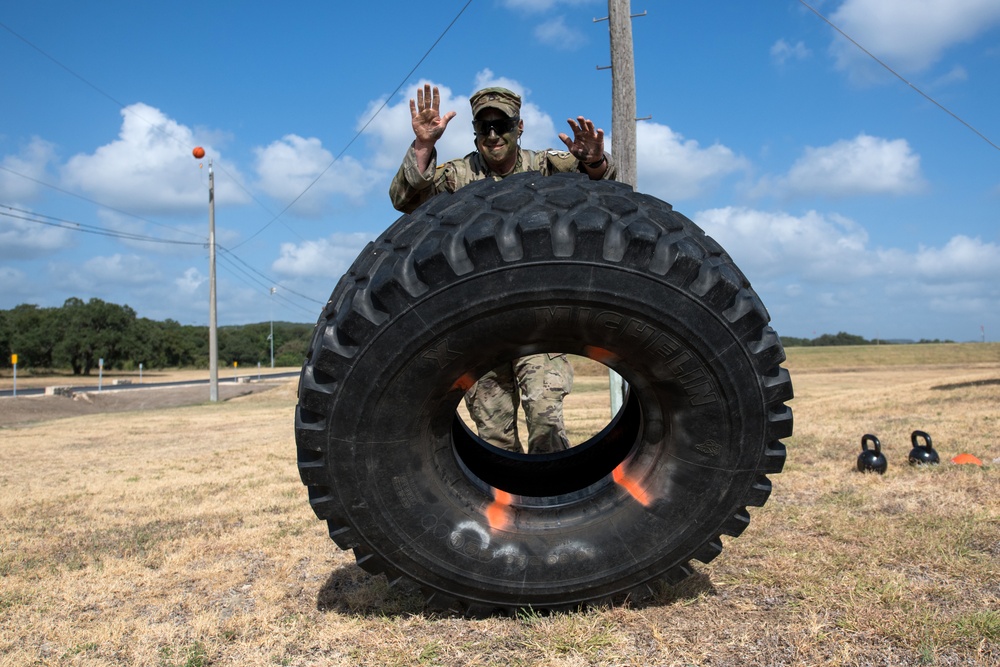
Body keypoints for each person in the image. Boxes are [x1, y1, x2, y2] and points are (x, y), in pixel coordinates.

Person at [389, 84, 617, 454]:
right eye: (484, 127)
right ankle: (508, 507)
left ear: (520, 126)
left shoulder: (546, 167)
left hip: (538, 318)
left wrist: (594, 160)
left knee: (546, 425)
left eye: (502, 125)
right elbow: (405, 200)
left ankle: (553, 501)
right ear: (476, 131)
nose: (493, 136)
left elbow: (608, 188)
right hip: (481, 320)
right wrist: (423, 146)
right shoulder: (458, 176)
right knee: (495, 436)